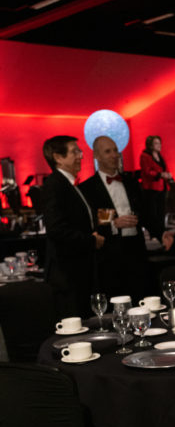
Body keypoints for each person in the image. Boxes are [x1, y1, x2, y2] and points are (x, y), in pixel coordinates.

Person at [42, 135, 104, 317]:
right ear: (58, 158)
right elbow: (56, 229)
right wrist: (91, 240)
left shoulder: (70, 184)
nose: (81, 156)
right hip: (67, 273)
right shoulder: (54, 185)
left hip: (79, 270)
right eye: (74, 151)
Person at [80, 135, 148, 300]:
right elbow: (88, 224)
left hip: (136, 250)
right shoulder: (87, 188)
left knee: (142, 298)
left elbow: (146, 212)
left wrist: (161, 233)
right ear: (97, 156)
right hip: (110, 255)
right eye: (108, 151)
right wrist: (113, 224)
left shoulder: (131, 182)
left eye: (116, 150)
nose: (114, 155)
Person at [139, 135, 172, 240]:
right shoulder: (145, 156)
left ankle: (162, 235)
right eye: (156, 143)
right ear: (150, 145)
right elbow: (147, 171)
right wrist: (160, 174)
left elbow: (164, 168)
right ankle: (155, 235)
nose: (159, 145)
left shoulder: (159, 155)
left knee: (161, 213)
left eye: (159, 143)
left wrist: (167, 174)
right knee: (153, 214)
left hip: (162, 187)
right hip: (151, 188)